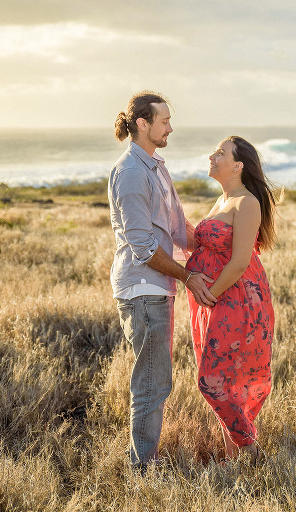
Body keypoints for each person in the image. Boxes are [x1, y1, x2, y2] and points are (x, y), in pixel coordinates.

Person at [109, 91, 216, 472]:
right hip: (143, 289)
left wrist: (219, 238)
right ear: (143, 123)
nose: (170, 126)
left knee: (156, 381)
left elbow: (176, 229)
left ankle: (142, 460)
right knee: (152, 384)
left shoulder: (156, 167)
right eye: (164, 120)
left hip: (157, 289)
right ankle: (142, 470)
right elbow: (143, 246)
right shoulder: (132, 173)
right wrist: (188, 276)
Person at [185, 136, 277, 461]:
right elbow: (197, 241)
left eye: (220, 153)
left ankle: (250, 449)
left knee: (212, 380)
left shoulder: (246, 202)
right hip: (214, 300)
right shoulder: (222, 200)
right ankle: (234, 459)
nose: (212, 156)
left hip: (235, 300)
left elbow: (240, 262)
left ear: (238, 166)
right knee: (226, 379)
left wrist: (210, 293)